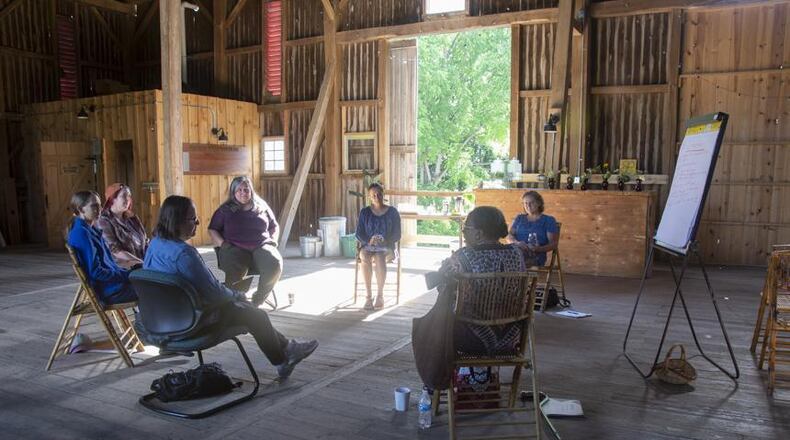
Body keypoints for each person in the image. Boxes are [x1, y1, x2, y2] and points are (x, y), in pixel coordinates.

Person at [144, 195, 318, 378]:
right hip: (190, 325)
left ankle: (287, 349)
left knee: (246, 307)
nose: (197, 223)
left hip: (161, 322)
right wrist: (237, 295)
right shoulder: (184, 254)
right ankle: (283, 359)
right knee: (255, 314)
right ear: (177, 221)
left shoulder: (155, 244)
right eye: (193, 219)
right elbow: (214, 293)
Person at [412, 206, 535, 390]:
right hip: (511, 340)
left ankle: (435, 382)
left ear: (478, 234)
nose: (463, 232)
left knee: (431, 328)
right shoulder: (517, 254)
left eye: (466, 229)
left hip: (472, 340)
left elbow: (443, 292)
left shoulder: (463, 257)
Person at [208, 176, 282, 306]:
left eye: (246, 190)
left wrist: (273, 241)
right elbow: (213, 229)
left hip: (261, 245)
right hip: (234, 247)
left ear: (251, 191)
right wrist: (223, 244)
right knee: (235, 270)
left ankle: (258, 299)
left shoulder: (261, 206)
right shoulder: (225, 210)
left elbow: (274, 225)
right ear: (233, 192)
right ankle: (236, 302)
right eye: (239, 190)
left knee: (274, 263)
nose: (243, 193)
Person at [66, 190, 137, 305]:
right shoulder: (81, 233)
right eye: (94, 206)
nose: (99, 209)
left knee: (151, 283)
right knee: (154, 290)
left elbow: (109, 265)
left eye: (100, 205)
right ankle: (145, 322)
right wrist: (127, 275)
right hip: (109, 290)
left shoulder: (90, 229)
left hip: (114, 285)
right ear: (80, 209)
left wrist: (129, 273)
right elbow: (96, 272)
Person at [355, 183, 402, 310]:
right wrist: (369, 240)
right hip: (368, 246)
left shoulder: (392, 212)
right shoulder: (365, 212)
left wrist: (386, 241)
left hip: (387, 247)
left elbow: (397, 234)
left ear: (383, 194)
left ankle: (380, 295)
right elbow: (358, 233)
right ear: (370, 197)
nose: (376, 196)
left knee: (380, 256)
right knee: (364, 255)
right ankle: (368, 296)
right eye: (373, 195)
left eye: (379, 194)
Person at [95, 183, 149, 269]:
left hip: (141, 265)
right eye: (124, 196)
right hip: (122, 268)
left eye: (129, 196)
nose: (128, 199)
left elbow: (145, 242)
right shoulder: (104, 221)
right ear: (113, 199)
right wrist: (142, 263)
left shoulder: (132, 218)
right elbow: (116, 251)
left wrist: (150, 260)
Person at [506, 190, 558, 267]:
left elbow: (553, 244)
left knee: (509, 261)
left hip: (535, 255)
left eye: (532, 202)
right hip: (516, 251)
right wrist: (517, 243)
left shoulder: (548, 220)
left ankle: (515, 277)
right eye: (525, 203)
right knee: (502, 256)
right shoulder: (519, 218)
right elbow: (509, 235)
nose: (528, 205)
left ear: (539, 203)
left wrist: (538, 249)